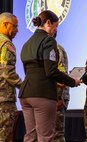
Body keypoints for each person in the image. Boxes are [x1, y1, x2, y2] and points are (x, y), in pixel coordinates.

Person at [18, 10, 81, 142]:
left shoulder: (27, 44)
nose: (55, 29)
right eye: (55, 25)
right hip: (42, 94)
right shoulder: (48, 41)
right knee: (45, 137)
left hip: (25, 94)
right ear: (48, 23)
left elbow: (30, 71)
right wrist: (72, 81)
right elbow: (51, 71)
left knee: (30, 136)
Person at [0, 12, 22, 141]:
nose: (17, 30)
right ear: (5, 24)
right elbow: (8, 73)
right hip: (4, 101)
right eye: (15, 26)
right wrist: (24, 86)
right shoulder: (6, 44)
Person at [53, 32, 70, 142]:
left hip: (57, 99)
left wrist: (58, 98)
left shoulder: (56, 49)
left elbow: (61, 77)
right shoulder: (44, 49)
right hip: (46, 99)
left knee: (56, 136)